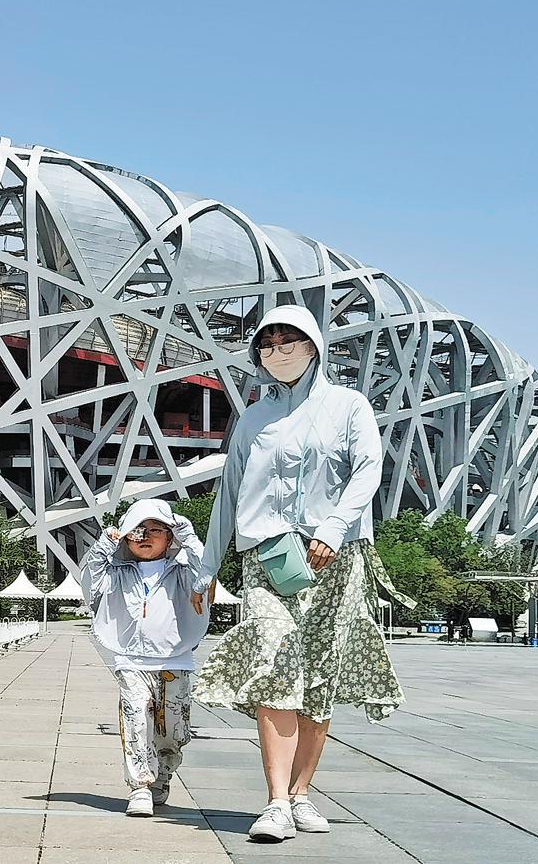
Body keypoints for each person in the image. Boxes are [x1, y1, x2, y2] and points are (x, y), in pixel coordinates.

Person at [189, 304, 414, 843]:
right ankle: (274, 802)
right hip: (267, 557)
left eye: (288, 340)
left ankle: (300, 794)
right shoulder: (253, 418)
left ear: (314, 345)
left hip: (335, 557)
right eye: (267, 344)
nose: (277, 352)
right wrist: (207, 567)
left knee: (318, 677)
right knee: (273, 659)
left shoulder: (348, 405)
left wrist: (333, 528)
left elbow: (369, 470)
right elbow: (229, 493)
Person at [71, 498, 212, 817]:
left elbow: (205, 570)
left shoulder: (182, 572)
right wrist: (105, 545)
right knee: (136, 716)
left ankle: (163, 772)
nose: (145, 536)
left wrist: (188, 535)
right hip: (130, 660)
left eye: (155, 530)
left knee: (173, 730)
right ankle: (140, 786)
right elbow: (90, 582)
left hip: (175, 660)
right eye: (138, 530)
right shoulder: (117, 573)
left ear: (170, 536)